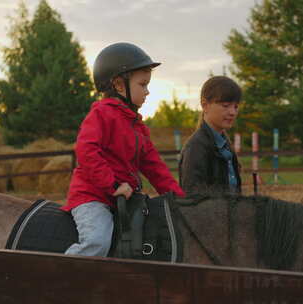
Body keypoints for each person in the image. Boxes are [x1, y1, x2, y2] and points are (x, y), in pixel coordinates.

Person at [62, 42, 185, 257]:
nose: (147, 91)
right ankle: (58, 278)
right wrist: (113, 185)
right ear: (119, 85)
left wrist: (181, 201)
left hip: (123, 199)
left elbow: (156, 168)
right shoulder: (101, 114)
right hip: (93, 197)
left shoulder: (137, 126)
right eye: (143, 84)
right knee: (97, 241)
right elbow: (86, 150)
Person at [179, 75, 242, 195]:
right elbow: (194, 200)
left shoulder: (226, 145)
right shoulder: (196, 148)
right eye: (225, 105)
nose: (233, 112)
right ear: (205, 105)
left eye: (236, 106)